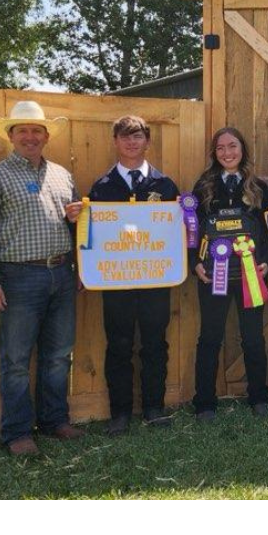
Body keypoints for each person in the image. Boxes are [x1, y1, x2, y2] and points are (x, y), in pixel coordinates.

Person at [0, 100, 85, 456]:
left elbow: (77, 227)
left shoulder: (62, 175)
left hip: (62, 273)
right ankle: (17, 432)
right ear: (11, 136)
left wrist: (78, 233)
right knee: (16, 360)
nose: (30, 137)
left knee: (59, 354)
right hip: (17, 277)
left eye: (36, 131)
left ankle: (54, 420)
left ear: (46, 136)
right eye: (22, 131)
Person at [88, 115, 181, 436]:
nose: (132, 142)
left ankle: (154, 408)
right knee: (119, 345)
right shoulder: (101, 188)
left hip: (155, 279)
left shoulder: (165, 185)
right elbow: (91, 235)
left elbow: (177, 232)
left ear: (147, 141)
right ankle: (121, 413)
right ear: (115, 141)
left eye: (138, 136)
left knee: (155, 343)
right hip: (117, 281)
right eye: (125, 137)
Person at [190, 127, 268, 420]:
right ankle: (205, 402)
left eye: (233, 146)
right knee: (210, 337)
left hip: (251, 274)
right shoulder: (203, 187)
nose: (227, 152)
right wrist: (194, 262)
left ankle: (259, 397)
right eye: (221, 148)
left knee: (253, 338)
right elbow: (191, 230)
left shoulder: (259, 186)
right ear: (214, 153)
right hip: (214, 274)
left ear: (243, 149)